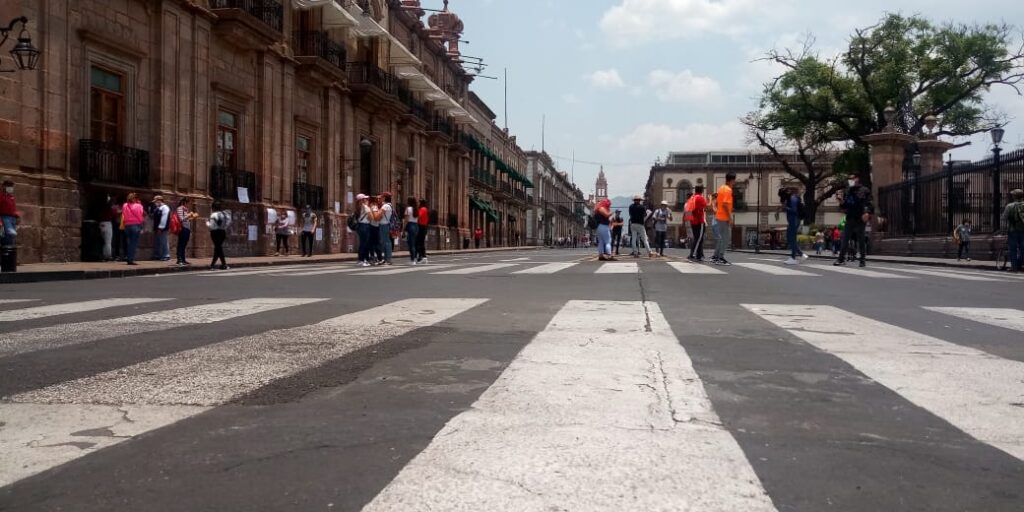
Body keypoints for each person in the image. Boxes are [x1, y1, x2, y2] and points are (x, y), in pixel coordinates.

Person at [834, 174, 874, 268]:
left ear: (857, 179)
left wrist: (868, 213)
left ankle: (862, 260)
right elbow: (845, 206)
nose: (850, 180)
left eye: (852, 178)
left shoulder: (865, 190)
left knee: (861, 239)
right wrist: (841, 201)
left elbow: (870, 203)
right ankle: (841, 259)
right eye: (849, 179)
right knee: (845, 238)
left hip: (861, 217)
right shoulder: (848, 191)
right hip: (850, 217)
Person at [712, 173, 736, 265]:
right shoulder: (728, 190)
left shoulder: (721, 188)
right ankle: (720, 258)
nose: (734, 183)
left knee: (722, 238)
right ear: (731, 180)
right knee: (726, 238)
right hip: (724, 217)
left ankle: (717, 257)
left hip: (719, 216)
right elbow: (725, 204)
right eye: (734, 181)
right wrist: (730, 218)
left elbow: (719, 203)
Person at [781, 187, 808, 265]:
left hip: (794, 220)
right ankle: (797, 256)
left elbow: (794, 210)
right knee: (792, 239)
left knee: (791, 239)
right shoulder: (793, 198)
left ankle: (797, 256)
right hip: (794, 220)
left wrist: (785, 207)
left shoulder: (792, 199)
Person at [1002, 188, 1024, 273]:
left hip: (1013, 230)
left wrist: (1003, 229)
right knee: (1023, 248)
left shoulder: (1009, 206)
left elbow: (1004, 218)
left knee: (1013, 249)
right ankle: (1020, 264)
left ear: (1014, 196)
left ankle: (1014, 268)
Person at [122, 193, 145, 265]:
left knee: (129, 243)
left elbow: (124, 214)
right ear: (134, 198)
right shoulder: (139, 206)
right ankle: (130, 259)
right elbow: (140, 214)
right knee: (133, 243)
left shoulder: (125, 205)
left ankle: (128, 257)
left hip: (127, 225)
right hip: (135, 225)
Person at [175, 198, 198, 266]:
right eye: (188, 203)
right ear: (184, 202)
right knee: (181, 244)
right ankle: (179, 260)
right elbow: (181, 219)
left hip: (187, 228)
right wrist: (189, 214)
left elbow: (186, 220)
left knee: (184, 245)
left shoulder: (185, 209)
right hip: (182, 228)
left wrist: (192, 217)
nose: (188, 204)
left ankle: (183, 259)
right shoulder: (180, 208)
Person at [687, 185, 708, 261]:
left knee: (698, 238)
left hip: (693, 221)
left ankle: (698, 255)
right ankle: (692, 254)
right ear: (702, 191)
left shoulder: (692, 198)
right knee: (699, 238)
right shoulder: (700, 198)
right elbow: (706, 206)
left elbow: (688, 210)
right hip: (699, 221)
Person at [208, 201, 230, 270]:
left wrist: (207, 223)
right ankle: (217, 265)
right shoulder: (224, 214)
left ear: (213, 208)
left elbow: (211, 225)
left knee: (218, 248)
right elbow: (228, 222)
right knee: (218, 248)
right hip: (222, 232)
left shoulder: (213, 215)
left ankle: (221, 265)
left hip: (215, 232)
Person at [150, 195, 171, 261]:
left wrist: (161, 227)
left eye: (156, 201)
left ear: (160, 200)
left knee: (163, 241)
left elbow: (164, 218)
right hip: (157, 228)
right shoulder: (158, 208)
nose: (155, 203)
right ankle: (157, 255)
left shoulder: (165, 208)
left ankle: (166, 255)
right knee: (158, 242)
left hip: (162, 228)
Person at [0, 180, 19, 250]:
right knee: (10, 234)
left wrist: (17, 216)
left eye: (11, 186)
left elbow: (13, 208)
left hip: (12, 218)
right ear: (4, 186)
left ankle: (8, 254)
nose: (11, 188)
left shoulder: (11, 197)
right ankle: (6, 250)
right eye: (9, 186)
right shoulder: (1, 196)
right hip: (5, 217)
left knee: (11, 236)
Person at [378, 193, 395, 265]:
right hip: (386, 225)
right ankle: (386, 259)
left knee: (386, 242)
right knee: (385, 242)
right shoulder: (390, 205)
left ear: (384, 198)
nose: (380, 198)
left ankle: (388, 259)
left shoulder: (385, 206)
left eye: (382, 197)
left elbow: (379, 215)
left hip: (384, 225)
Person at [98, 196, 115, 261]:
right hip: (107, 223)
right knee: (108, 241)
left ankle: (102, 255)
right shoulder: (109, 207)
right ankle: (107, 256)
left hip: (101, 223)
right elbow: (113, 214)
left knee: (102, 241)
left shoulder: (100, 207)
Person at [404, 197, 420, 264]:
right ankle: (414, 258)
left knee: (411, 243)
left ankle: (412, 259)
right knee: (414, 243)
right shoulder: (416, 209)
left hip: (410, 225)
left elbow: (406, 220)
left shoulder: (408, 209)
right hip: (416, 226)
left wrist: (403, 228)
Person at [416, 199, 430, 264]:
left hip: (421, 226)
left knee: (419, 242)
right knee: (421, 242)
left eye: (419, 202)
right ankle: (422, 257)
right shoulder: (426, 209)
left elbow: (419, 216)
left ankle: (422, 257)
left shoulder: (422, 209)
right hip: (424, 226)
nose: (418, 204)